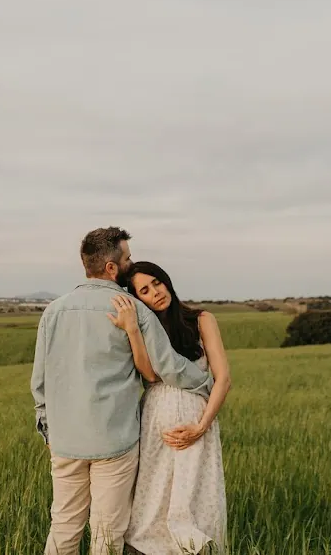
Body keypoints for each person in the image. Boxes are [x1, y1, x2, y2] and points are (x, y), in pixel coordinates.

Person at [31, 227, 214, 555]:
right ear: (111, 267)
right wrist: (206, 384)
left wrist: (47, 431)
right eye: (127, 258)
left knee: (64, 526)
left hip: (65, 441)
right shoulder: (133, 309)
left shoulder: (53, 312)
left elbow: (40, 381)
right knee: (108, 533)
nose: (131, 263)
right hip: (114, 443)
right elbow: (168, 366)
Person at [112, 261, 231, 555]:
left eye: (157, 282)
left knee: (195, 495)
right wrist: (132, 330)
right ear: (138, 299)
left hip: (197, 421)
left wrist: (202, 426)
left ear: (166, 281)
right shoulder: (145, 328)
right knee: (153, 495)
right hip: (155, 423)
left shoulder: (201, 319)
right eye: (144, 290)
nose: (155, 292)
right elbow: (150, 375)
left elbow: (223, 379)